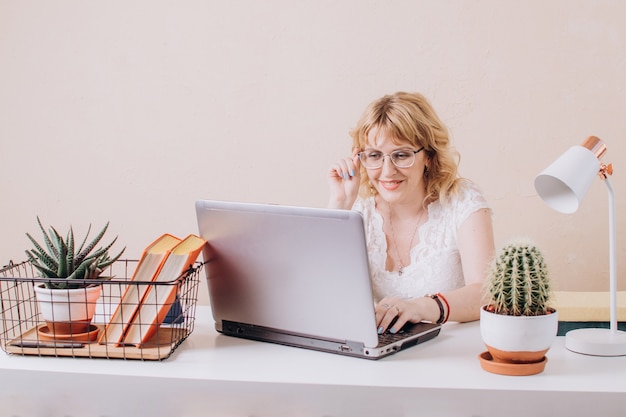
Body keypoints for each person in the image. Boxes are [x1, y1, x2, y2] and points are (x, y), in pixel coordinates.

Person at [327, 91, 495, 334]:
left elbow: (486, 292)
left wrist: (422, 307)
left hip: (453, 352)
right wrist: (339, 205)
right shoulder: (358, 210)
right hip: (387, 351)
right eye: (374, 155)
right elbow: (325, 294)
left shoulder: (462, 201)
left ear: (428, 156)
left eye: (401, 155)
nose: (387, 171)